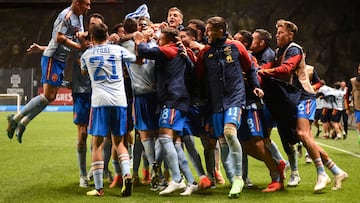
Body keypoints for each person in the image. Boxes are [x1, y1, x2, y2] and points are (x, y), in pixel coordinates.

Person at [258, 19, 348, 192]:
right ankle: (336, 171)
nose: (277, 35)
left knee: (302, 134)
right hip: (289, 99)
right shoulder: (278, 51)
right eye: (276, 32)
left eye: (281, 32)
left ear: (290, 34)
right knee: (301, 138)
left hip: (303, 97)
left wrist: (264, 71)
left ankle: (322, 174)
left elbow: (287, 68)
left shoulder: (295, 49)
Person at [7, 0, 91, 143]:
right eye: (86, 4)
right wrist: (78, 46)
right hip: (53, 59)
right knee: (48, 95)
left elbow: (72, 36)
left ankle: (23, 123)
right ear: (77, 3)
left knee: (50, 97)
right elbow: (58, 37)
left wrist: (86, 36)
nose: (89, 7)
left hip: (60, 60)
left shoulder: (80, 16)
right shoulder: (66, 15)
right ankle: (15, 119)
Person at [196, 16, 254, 198]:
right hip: (216, 103)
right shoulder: (205, 52)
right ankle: (233, 180)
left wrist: (256, 86)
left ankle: (238, 178)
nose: (206, 33)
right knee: (223, 144)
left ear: (220, 31)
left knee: (230, 133)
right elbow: (198, 77)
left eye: (209, 30)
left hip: (235, 97)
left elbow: (250, 68)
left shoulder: (237, 47)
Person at [134, 27, 194, 195]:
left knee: (164, 138)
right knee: (174, 143)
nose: (158, 41)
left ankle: (176, 179)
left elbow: (146, 51)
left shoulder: (170, 50)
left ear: (167, 40)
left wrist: (139, 40)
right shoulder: (180, 51)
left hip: (172, 100)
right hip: (179, 99)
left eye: (160, 39)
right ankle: (192, 181)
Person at [80, 22, 137, 196]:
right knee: (119, 142)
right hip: (120, 100)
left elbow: (83, 72)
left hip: (100, 101)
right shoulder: (118, 50)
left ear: (91, 38)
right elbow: (134, 58)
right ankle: (127, 173)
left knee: (97, 144)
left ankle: (98, 188)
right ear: (107, 36)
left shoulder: (86, 54)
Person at [345, 64, 360, 145]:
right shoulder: (353, 81)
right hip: (358, 107)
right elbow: (346, 95)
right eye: (359, 69)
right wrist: (347, 108)